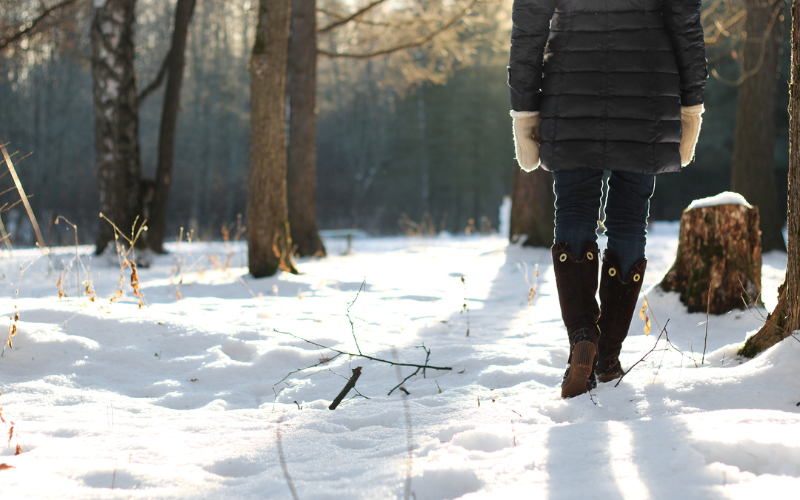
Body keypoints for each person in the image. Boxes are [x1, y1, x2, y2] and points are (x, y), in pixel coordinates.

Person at [508, 0, 707, 398]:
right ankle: (608, 355)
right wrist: (692, 104)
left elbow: (530, 21)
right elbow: (684, 17)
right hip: (647, 85)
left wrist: (524, 111)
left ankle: (583, 336)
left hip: (571, 82)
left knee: (574, 207)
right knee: (631, 217)